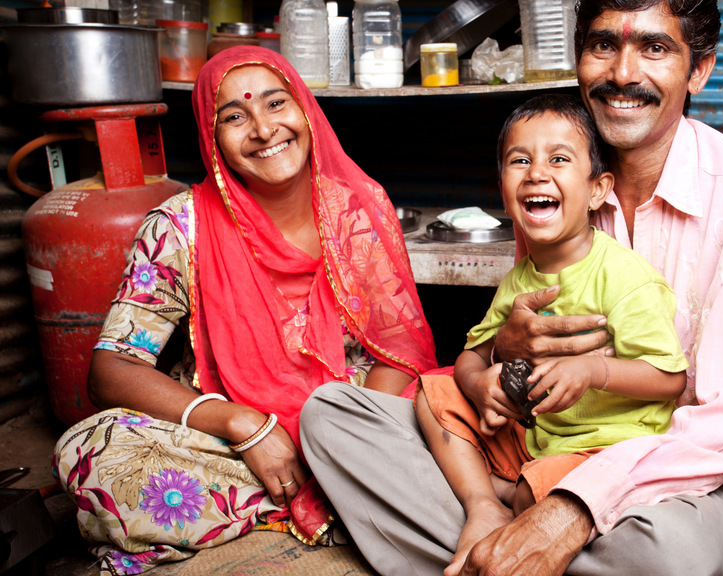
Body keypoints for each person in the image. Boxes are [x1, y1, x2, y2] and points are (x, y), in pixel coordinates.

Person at [300, 0, 723, 572]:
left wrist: (575, 507)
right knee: (331, 416)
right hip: (539, 437)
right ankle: (497, 529)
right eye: (603, 46)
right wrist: (501, 353)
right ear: (579, 59)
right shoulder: (555, 182)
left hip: (681, 473)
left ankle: (502, 543)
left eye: (655, 48)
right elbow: (500, 352)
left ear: (699, 70)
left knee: (672, 556)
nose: (622, 73)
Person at [52, 46, 436, 576]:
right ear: (213, 138)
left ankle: (312, 498)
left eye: (276, 103)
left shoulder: (355, 210)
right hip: (240, 446)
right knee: (92, 453)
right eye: (234, 116)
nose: (263, 128)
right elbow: (111, 370)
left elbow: (401, 348)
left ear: (304, 110)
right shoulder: (178, 228)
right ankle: (339, 505)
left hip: (361, 420)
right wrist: (242, 423)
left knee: (458, 411)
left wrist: (351, 443)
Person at [415, 94, 689, 575]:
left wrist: (593, 369)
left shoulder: (623, 277)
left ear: (598, 189)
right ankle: (485, 502)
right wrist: (480, 387)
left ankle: (509, 494)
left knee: (537, 492)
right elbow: (470, 358)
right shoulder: (519, 279)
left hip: (605, 447)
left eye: (559, 159)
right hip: (536, 433)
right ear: (504, 192)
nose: (536, 172)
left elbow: (670, 379)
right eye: (520, 160)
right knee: (430, 391)